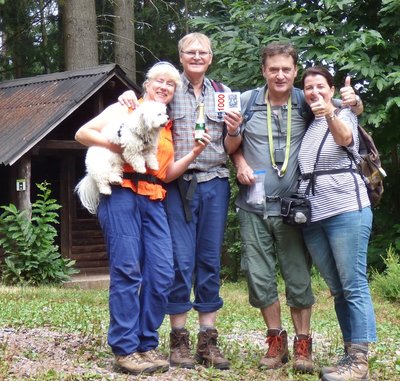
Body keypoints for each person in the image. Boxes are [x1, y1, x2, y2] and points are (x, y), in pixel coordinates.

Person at [231, 42, 363, 374]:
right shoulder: (247, 101)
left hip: (294, 209)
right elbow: (230, 142)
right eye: (273, 68)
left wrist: (356, 102)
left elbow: (344, 111)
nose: (279, 75)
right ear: (263, 70)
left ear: (294, 71)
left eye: (286, 69)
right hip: (253, 207)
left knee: (298, 278)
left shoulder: (306, 100)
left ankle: (304, 344)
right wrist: (240, 161)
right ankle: (276, 342)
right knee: (260, 279)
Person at [75, 62, 212, 375]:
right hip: (120, 192)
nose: (164, 87)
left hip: (154, 199)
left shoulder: (165, 125)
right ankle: (125, 348)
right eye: (159, 81)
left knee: (163, 271)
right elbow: (83, 133)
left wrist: (193, 153)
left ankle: (146, 343)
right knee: (127, 270)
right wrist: (118, 145)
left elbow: (166, 172)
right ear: (147, 85)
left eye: (171, 84)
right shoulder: (125, 107)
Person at [118, 32, 242, 370]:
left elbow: (233, 150)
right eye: (191, 52)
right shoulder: (170, 91)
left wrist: (233, 130)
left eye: (203, 52)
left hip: (215, 181)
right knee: (179, 262)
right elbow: (142, 109)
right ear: (181, 55)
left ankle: (208, 341)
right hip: (177, 185)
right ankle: (179, 341)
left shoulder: (224, 95)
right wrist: (127, 96)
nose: (197, 56)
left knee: (209, 261)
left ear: (211, 57)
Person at [297, 66, 376, 381]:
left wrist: (336, 109)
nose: (314, 92)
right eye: (308, 88)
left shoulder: (344, 116)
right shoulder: (310, 123)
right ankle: (348, 354)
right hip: (314, 216)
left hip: (346, 210)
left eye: (320, 86)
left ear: (331, 89)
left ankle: (360, 360)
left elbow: (345, 139)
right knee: (338, 289)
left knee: (354, 284)